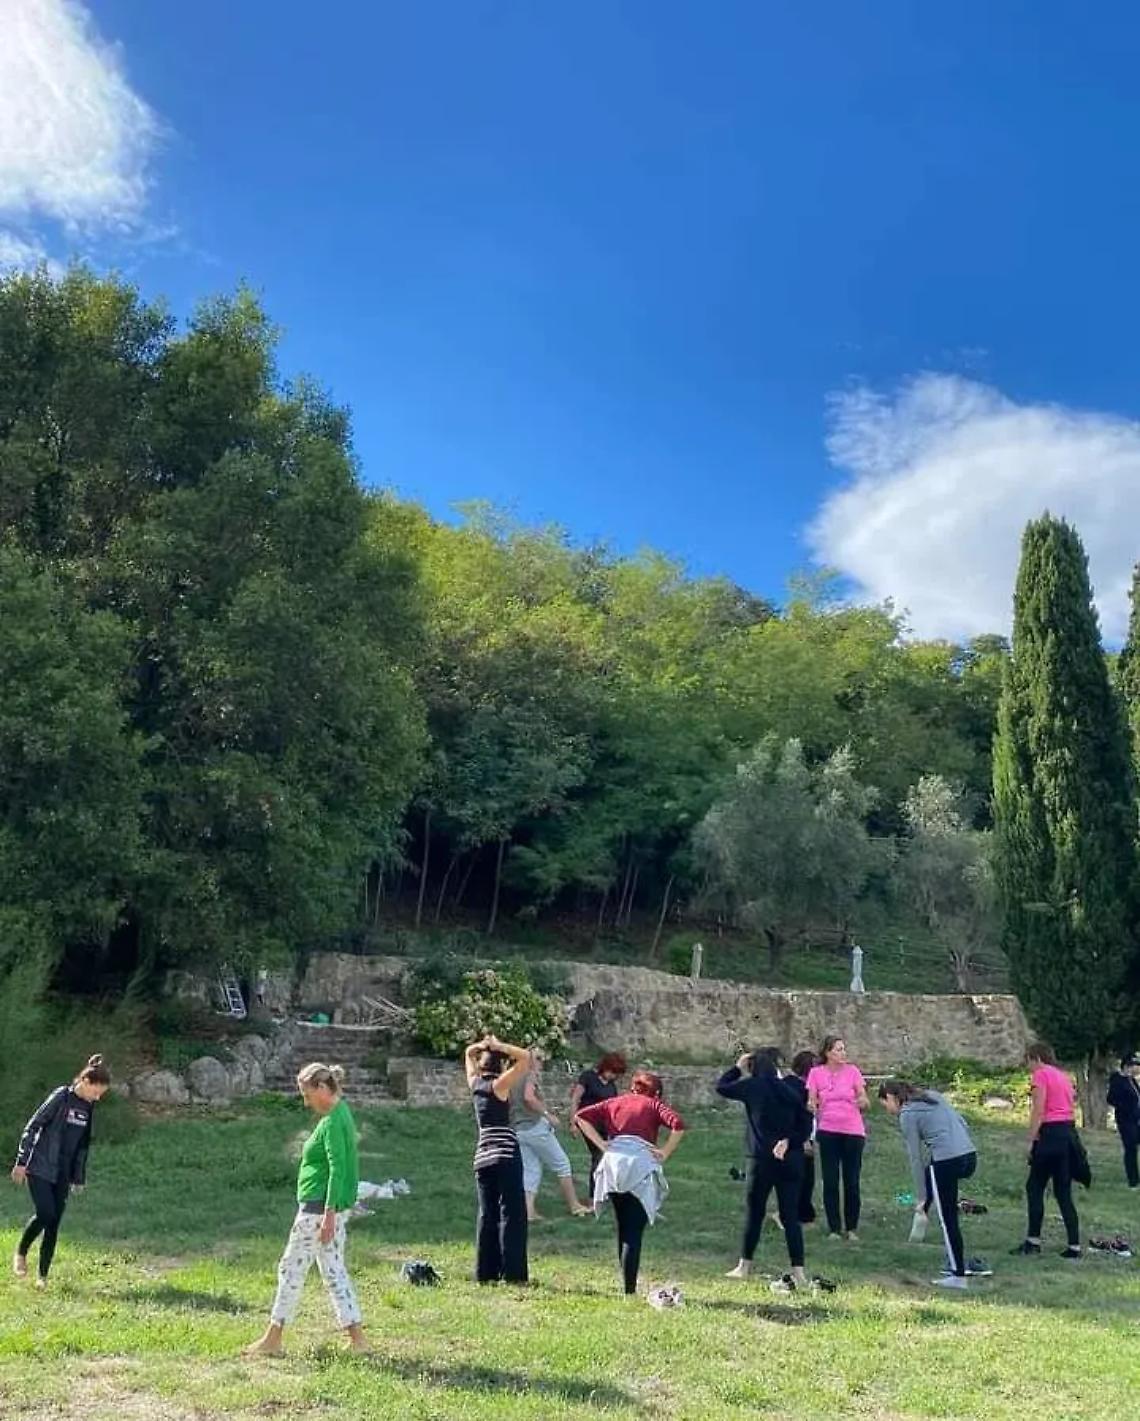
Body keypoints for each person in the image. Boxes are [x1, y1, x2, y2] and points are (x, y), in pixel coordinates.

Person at [244, 1063, 369, 1357]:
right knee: (334, 1269)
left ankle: (273, 1338)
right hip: (330, 1209)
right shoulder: (341, 1114)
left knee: (291, 1268)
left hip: (317, 1211)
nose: (306, 1101)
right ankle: (357, 1339)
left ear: (323, 1089)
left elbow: (338, 1168)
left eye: (307, 1094)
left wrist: (327, 1214)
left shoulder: (332, 1122)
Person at [575, 1070, 685, 1296]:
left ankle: (626, 1285)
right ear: (656, 1092)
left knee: (623, 1227)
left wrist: (601, 1144)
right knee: (634, 1231)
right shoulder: (653, 1105)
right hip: (638, 1167)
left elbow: (581, 1116)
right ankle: (629, 1290)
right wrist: (665, 1152)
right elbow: (678, 1124)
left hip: (613, 1166)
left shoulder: (616, 1101)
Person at [878, 1079, 990, 1288]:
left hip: (948, 1160)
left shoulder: (907, 1115)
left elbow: (915, 1157)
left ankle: (957, 1275)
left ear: (892, 1097)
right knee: (933, 1171)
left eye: (885, 1105)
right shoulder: (933, 1097)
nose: (887, 1111)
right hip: (969, 1156)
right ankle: (929, 1204)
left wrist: (920, 1195)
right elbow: (962, 1123)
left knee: (947, 1220)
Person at [11, 1054, 111, 1289]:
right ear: (85, 1082)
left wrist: (78, 1177)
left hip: (63, 1173)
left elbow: (82, 1145)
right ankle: (21, 1252)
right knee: (46, 1213)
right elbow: (33, 1125)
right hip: (40, 1166)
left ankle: (42, 1277)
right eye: (96, 1092)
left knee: (54, 1222)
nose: (97, 1098)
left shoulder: (88, 1108)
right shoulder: (61, 1097)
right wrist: (22, 1161)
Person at [717, 1047, 813, 1288]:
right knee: (790, 1216)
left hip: (760, 1160)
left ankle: (744, 1266)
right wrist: (789, 1140)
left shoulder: (752, 1087)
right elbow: (806, 1121)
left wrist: (737, 1068)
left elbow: (722, 1086)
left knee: (755, 1214)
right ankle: (799, 1272)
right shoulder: (793, 1088)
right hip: (791, 1159)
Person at [464, 1033, 532, 1284]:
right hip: (505, 1153)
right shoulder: (499, 1086)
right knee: (512, 1213)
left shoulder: (475, 1085)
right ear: (500, 1067)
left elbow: (467, 1054)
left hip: (482, 1156)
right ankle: (513, 1274)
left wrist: (479, 1047)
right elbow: (525, 1059)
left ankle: (486, 1272)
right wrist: (500, 1046)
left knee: (487, 1214)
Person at [1012, 1041, 1082, 1259]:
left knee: (1034, 1186)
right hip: (1068, 1134)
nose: (1028, 1067)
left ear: (1037, 1058)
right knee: (1063, 1192)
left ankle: (1033, 1241)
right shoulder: (1063, 1076)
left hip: (1050, 1134)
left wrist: (1031, 1140)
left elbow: (1039, 1109)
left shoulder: (1041, 1075)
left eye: (1028, 1062)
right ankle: (1074, 1245)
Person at [509, 1049, 590, 1221]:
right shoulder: (529, 1075)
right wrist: (547, 1114)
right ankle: (574, 1205)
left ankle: (528, 1212)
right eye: (539, 1059)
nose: (541, 1063)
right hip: (534, 1127)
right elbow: (529, 1097)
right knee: (562, 1164)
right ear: (529, 1060)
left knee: (531, 1170)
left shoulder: (511, 1077)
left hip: (518, 1129)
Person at [806, 1036, 869, 1241]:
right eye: (838, 1049)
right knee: (831, 1181)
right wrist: (812, 1106)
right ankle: (834, 1228)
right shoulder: (816, 1073)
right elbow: (811, 1100)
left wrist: (862, 1101)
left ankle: (851, 1228)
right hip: (828, 1130)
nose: (843, 1053)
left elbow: (864, 1099)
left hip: (853, 1131)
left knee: (851, 1181)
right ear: (828, 1053)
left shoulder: (853, 1072)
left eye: (844, 1049)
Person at [570, 1052, 627, 1197]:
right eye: (613, 1072)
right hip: (587, 1123)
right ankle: (594, 1197)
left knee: (608, 1156)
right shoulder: (588, 1077)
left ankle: (605, 1191)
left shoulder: (612, 1086)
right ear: (606, 1068)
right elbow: (575, 1098)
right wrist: (573, 1122)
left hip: (604, 1125)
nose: (615, 1076)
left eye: (617, 1074)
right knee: (598, 1155)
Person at [790, 1050, 818, 1225]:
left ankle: (804, 1213)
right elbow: (798, 1116)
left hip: (809, 1136)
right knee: (802, 1178)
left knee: (808, 1178)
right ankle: (799, 1214)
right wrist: (804, 1139)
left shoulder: (810, 1088)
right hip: (800, 1137)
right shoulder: (797, 1088)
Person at [1106, 1053, 1140, 1189]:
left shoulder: (1132, 1081)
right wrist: (1126, 1107)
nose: (1137, 1069)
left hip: (1137, 1119)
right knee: (1131, 1148)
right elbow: (1111, 1099)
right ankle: (1133, 1181)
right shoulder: (1117, 1080)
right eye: (1135, 1066)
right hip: (1126, 1121)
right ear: (1127, 1066)